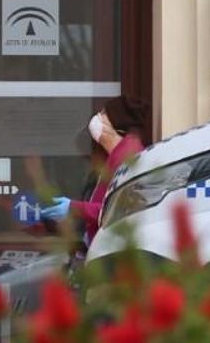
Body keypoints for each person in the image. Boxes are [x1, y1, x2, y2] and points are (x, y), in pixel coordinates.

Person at [40, 95, 149, 247]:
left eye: (104, 114)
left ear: (115, 122)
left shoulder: (128, 155)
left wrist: (73, 207)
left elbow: (116, 210)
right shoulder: (117, 153)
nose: (98, 117)